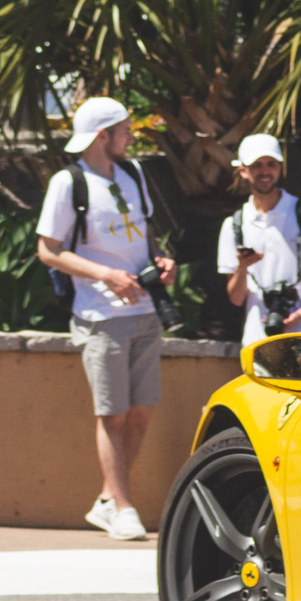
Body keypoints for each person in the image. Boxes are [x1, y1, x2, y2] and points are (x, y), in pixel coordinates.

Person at [34, 97, 177, 542]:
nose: (131, 137)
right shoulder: (68, 182)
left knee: (141, 412)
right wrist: (105, 275)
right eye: (124, 130)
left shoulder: (133, 175)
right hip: (100, 315)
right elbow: (48, 250)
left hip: (145, 310)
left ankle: (106, 500)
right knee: (112, 414)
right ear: (103, 136)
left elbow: (146, 232)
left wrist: (161, 260)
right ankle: (124, 506)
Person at [216, 133, 301, 346]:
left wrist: (300, 315)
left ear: (280, 168)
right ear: (243, 171)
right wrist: (243, 267)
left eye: (271, 164)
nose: (265, 171)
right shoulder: (234, 225)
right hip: (259, 336)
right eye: (256, 165)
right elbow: (236, 298)